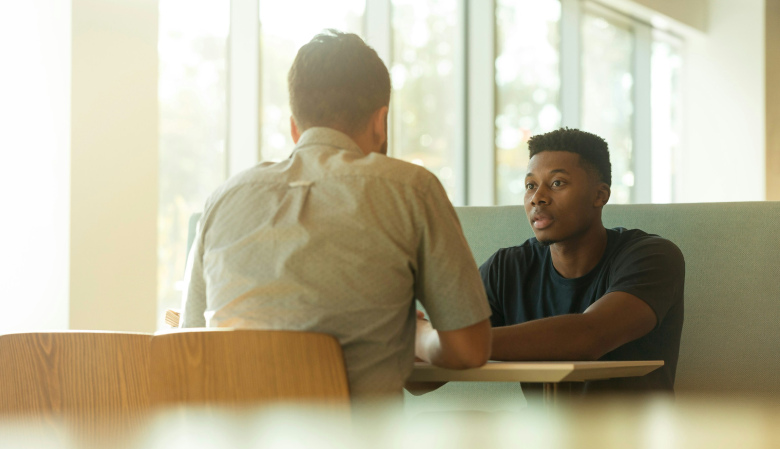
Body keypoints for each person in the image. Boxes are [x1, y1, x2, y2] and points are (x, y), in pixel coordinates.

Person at [179, 30, 491, 398]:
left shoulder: (223, 199)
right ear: (381, 122)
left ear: (295, 127)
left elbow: (189, 345)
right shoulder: (412, 189)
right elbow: (469, 350)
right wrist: (417, 336)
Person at [479, 128, 684, 394]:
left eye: (557, 183)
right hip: (542, 433)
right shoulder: (506, 268)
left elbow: (588, 337)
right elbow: (422, 380)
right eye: (530, 185)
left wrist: (452, 343)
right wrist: (422, 340)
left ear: (600, 195)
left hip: (633, 434)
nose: (537, 197)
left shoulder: (653, 257)